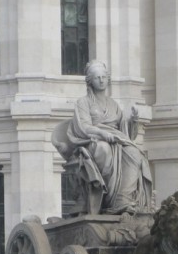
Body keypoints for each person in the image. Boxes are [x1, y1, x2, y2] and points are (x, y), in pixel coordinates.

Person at [54, 60, 153, 215]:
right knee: (103, 149)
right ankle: (105, 197)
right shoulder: (83, 103)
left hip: (115, 140)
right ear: (90, 81)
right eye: (97, 77)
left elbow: (125, 133)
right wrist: (102, 134)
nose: (101, 80)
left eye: (104, 77)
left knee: (135, 153)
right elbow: (84, 127)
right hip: (91, 141)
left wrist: (133, 121)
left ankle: (122, 198)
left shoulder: (113, 104)